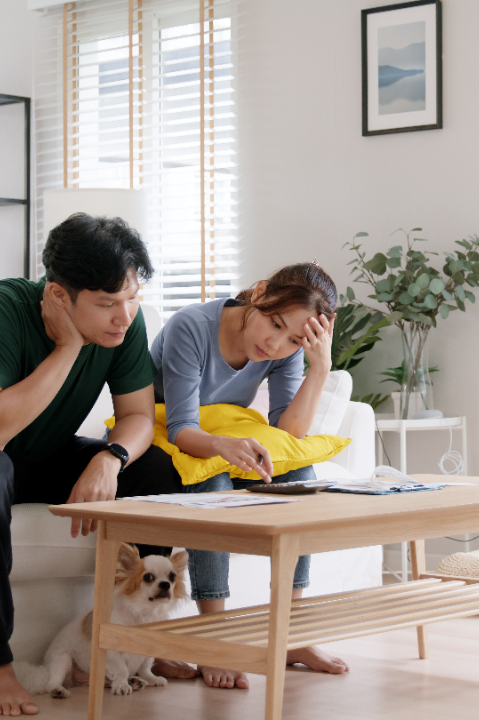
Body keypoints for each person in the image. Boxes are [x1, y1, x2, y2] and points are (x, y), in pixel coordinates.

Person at [0, 213, 194, 716]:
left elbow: (139, 417)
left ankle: (141, 641)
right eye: (107, 304)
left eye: (132, 298)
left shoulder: (125, 323)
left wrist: (110, 457)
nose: (124, 316)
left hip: (41, 453)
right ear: (59, 295)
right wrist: (68, 346)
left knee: (156, 470)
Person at [149, 262, 351, 690]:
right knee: (214, 483)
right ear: (259, 293)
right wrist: (223, 447)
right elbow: (181, 427)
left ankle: (290, 633)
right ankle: (214, 638)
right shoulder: (192, 327)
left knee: (299, 473)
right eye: (275, 323)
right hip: (162, 438)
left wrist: (319, 366)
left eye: (294, 339)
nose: (275, 344)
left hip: (220, 438)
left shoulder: (286, 351)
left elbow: (288, 433)